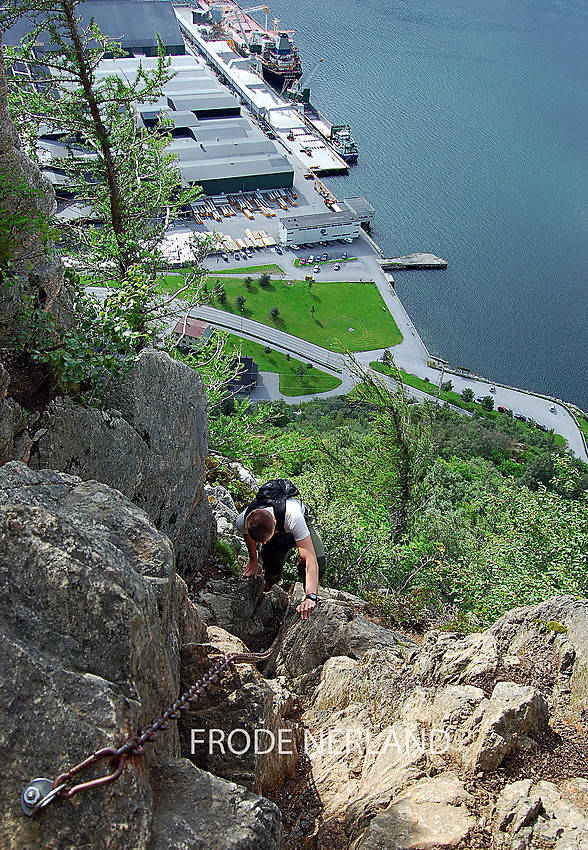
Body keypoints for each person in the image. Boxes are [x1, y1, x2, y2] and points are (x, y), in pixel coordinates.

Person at [236, 480, 326, 620]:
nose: (265, 543)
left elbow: (311, 558)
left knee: (318, 563)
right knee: (272, 568)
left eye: (266, 539)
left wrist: (310, 597)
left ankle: (308, 579)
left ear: (275, 523)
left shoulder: (294, 517)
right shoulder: (242, 520)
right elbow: (247, 536)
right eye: (262, 541)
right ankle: (270, 582)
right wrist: (253, 560)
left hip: (300, 523)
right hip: (277, 532)